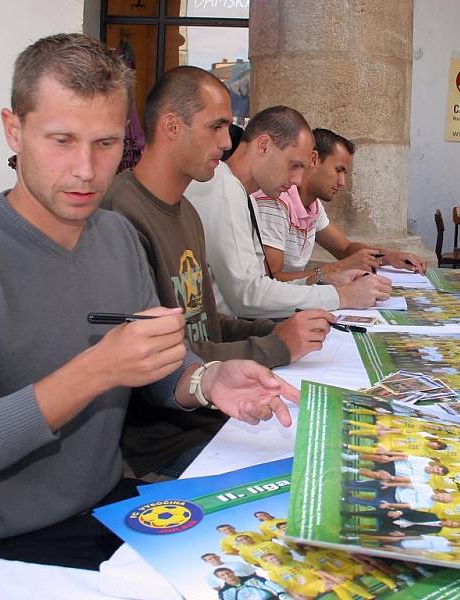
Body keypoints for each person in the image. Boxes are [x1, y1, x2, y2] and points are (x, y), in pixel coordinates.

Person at [0, 33, 296, 570]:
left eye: (107, 143)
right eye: (61, 140)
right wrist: (94, 370)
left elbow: (158, 368)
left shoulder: (115, 236)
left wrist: (204, 381)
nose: (87, 171)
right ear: (13, 130)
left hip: (108, 508)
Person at [102, 66, 334, 478]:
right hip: (164, 443)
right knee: (316, 475)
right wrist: (275, 346)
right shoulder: (121, 217)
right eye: (217, 127)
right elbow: (159, 364)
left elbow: (204, 324)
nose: (227, 143)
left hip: (210, 416)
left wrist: (273, 330)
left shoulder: (187, 212)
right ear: (173, 126)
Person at [187, 106, 392, 320]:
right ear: (264, 146)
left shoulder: (245, 195)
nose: (297, 180)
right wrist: (341, 296)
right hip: (221, 338)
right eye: (294, 165)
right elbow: (247, 296)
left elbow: (263, 284)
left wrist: (322, 281)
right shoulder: (224, 190)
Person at [255, 128, 426, 282]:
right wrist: (339, 267)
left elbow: (345, 248)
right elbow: (272, 279)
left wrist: (389, 256)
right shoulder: (276, 202)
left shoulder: (312, 206)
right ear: (314, 160)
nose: (342, 182)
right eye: (338, 170)